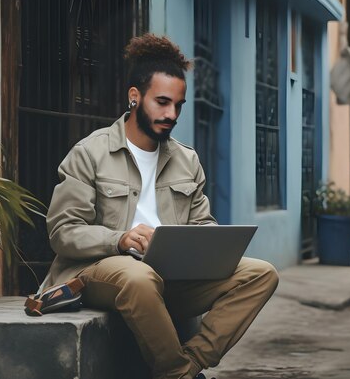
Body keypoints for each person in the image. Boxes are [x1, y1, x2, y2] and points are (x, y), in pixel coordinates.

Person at [39, 33, 279, 379]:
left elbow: (202, 223)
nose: (172, 114)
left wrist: (208, 245)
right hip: (100, 273)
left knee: (261, 274)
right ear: (134, 97)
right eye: (162, 102)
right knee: (139, 274)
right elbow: (62, 233)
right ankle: (178, 374)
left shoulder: (186, 160)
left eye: (178, 105)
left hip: (168, 278)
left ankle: (191, 362)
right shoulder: (90, 153)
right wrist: (119, 239)